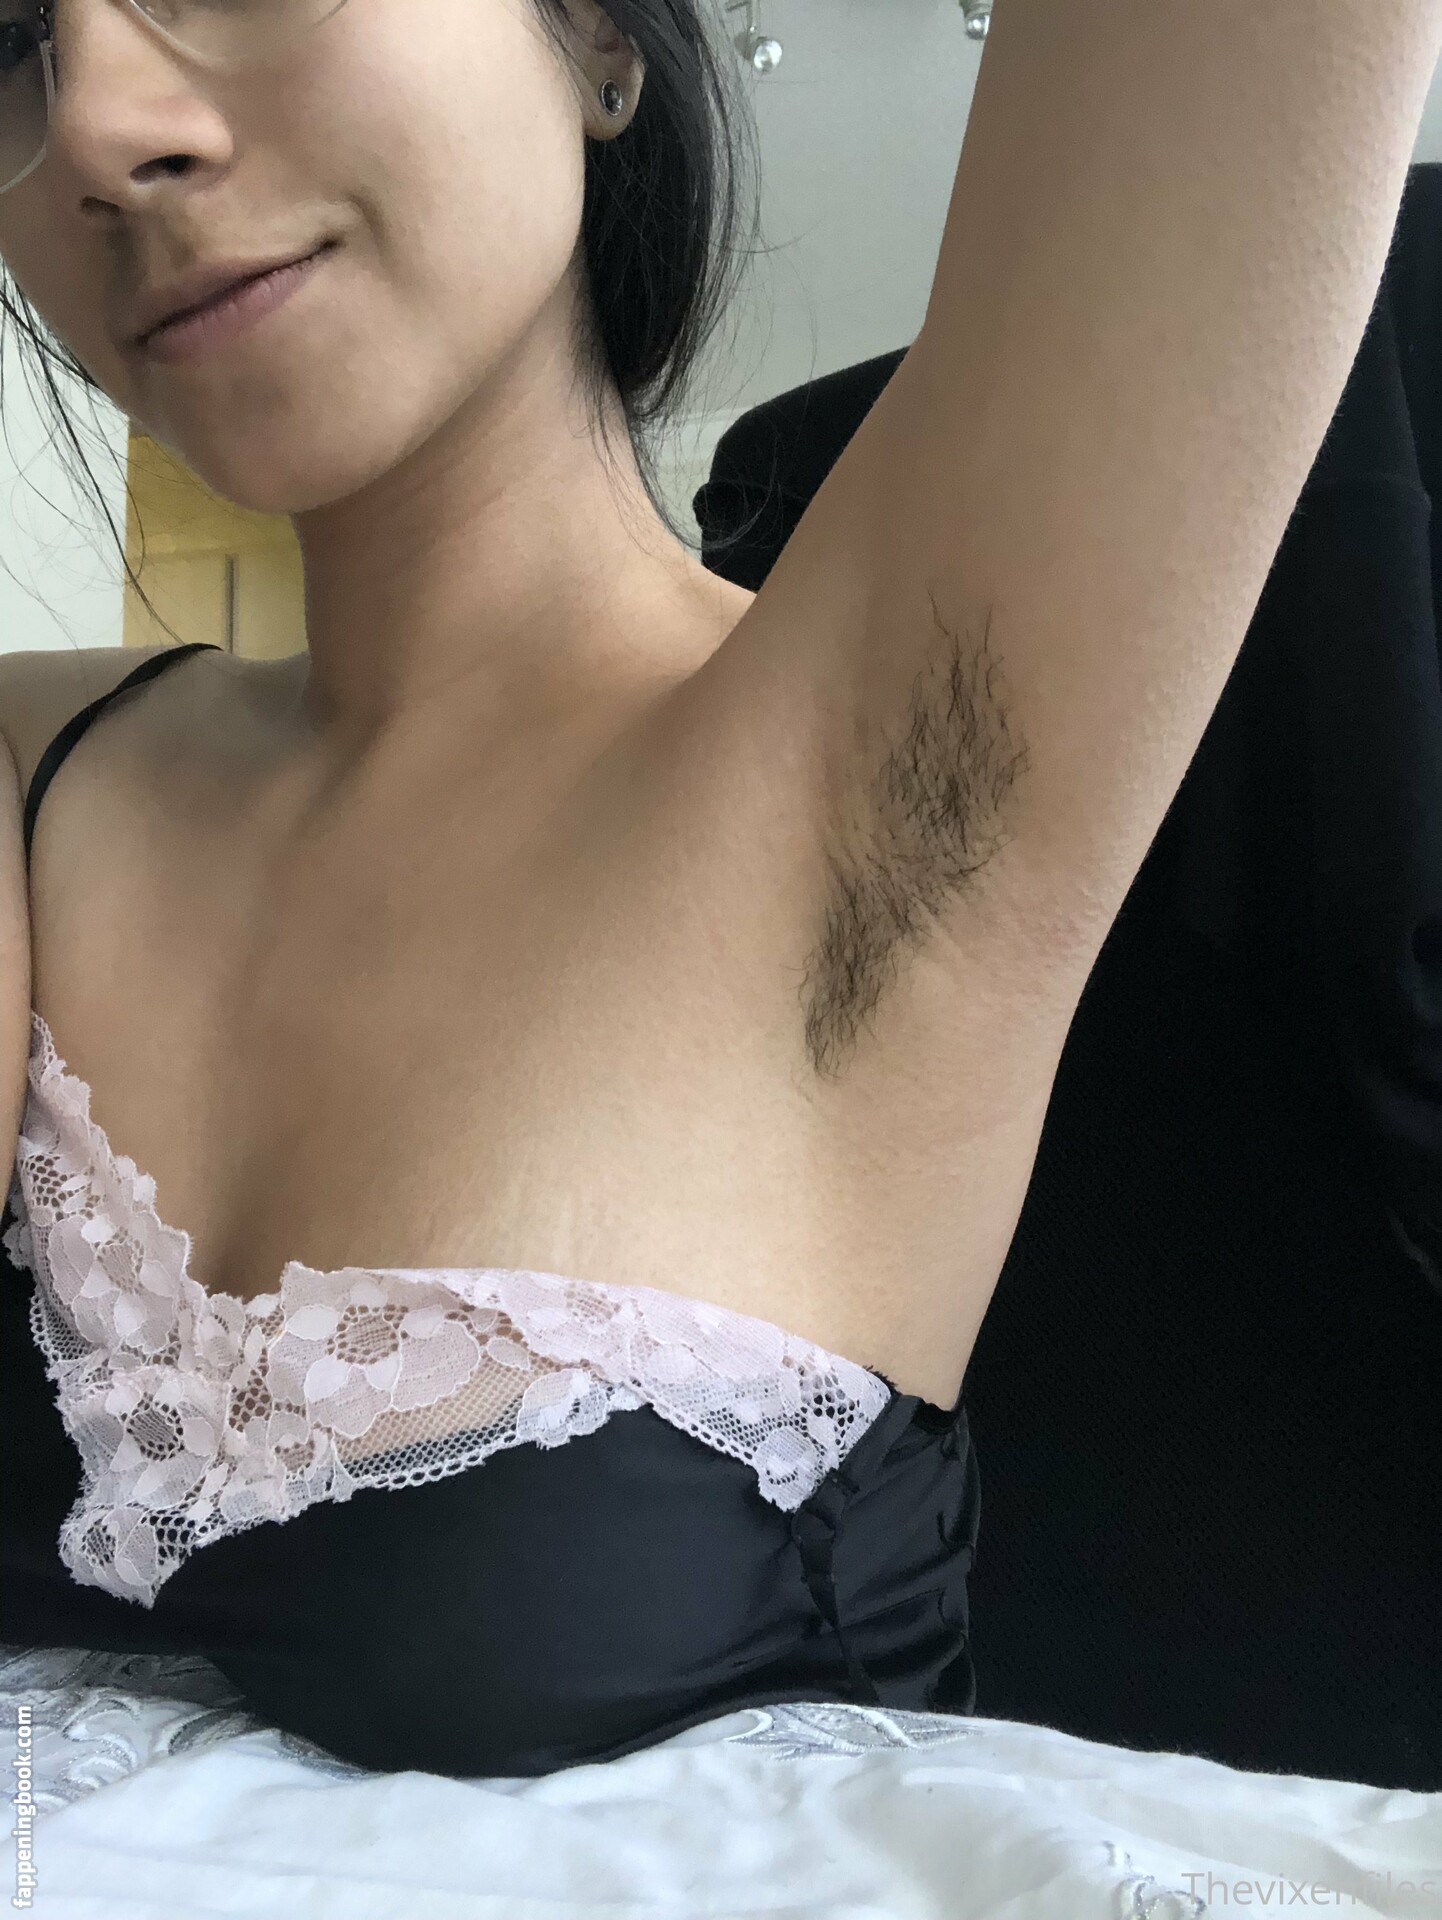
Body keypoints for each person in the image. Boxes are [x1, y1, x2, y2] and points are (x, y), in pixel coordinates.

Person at [0, 0, 1437, 1781]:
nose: (97, 125)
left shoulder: (890, 747)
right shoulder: (28, 763)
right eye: (12, 38)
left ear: (599, 36)